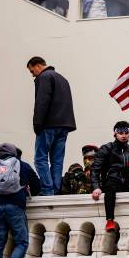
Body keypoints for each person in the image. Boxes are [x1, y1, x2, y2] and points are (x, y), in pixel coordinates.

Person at [26, 56, 76, 196]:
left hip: (48, 125)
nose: (32, 74)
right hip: (65, 125)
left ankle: (47, 190)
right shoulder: (63, 79)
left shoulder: (44, 77)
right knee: (57, 160)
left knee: (40, 158)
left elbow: (41, 102)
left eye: (32, 71)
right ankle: (55, 189)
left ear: (37, 66)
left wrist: (37, 124)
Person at [90, 122, 129, 232]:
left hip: (128, 181)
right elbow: (95, 170)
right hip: (112, 180)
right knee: (111, 187)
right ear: (115, 134)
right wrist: (96, 187)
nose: (123, 135)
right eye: (120, 132)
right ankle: (110, 220)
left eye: (126, 132)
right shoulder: (106, 148)